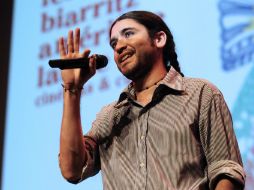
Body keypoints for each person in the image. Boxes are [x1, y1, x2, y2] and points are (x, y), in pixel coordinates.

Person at [58, 10, 246, 189]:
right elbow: (71, 169)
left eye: (128, 34)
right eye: (114, 44)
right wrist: (72, 89)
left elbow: (226, 170)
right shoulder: (109, 116)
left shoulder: (201, 94)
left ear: (159, 39)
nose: (119, 46)